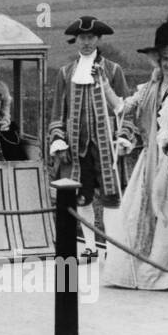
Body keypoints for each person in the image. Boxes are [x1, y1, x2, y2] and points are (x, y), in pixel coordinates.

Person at [103, 9, 168, 290]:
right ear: (158, 61)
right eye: (165, 59)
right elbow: (125, 108)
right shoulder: (151, 86)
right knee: (140, 215)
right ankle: (142, 273)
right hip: (150, 161)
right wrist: (104, 85)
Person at [47, 15, 128, 259]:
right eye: (82, 37)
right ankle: (91, 246)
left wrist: (124, 136)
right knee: (82, 198)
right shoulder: (66, 72)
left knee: (112, 198)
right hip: (76, 148)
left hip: (106, 148)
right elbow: (57, 113)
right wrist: (59, 139)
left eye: (91, 37)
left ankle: (113, 250)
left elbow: (126, 109)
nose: (86, 42)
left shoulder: (113, 70)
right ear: (76, 40)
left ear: (98, 39)